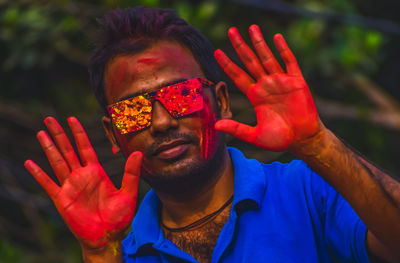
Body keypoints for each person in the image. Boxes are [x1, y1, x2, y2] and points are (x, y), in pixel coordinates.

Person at [24, 6, 400, 263]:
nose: (161, 122)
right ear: (114, 133)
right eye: (133, 110)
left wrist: (318, 144)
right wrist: (100, 253)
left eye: (181, 95)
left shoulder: (303, 190)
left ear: (220, 101)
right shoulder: (127, 252)